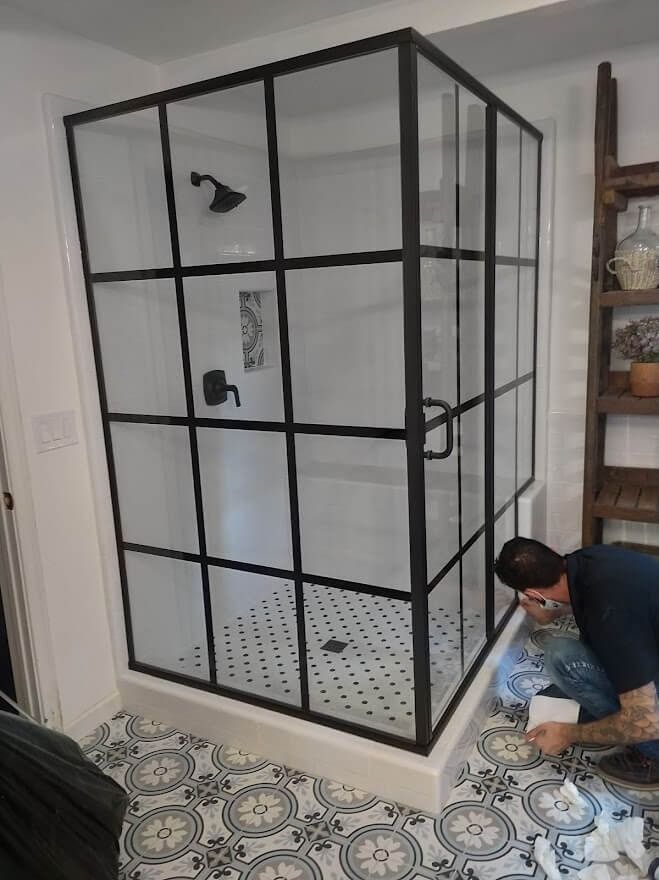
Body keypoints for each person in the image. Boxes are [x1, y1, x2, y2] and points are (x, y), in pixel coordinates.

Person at [494, 537, 659, 788]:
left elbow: (646, 722)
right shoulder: (591, 560)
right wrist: (554, 613)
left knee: (562, 657)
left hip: (651, 715)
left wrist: (567, 733)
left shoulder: (610, 619)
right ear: (552, 551)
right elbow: (606, 602)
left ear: (533, 595)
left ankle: (653, 757)